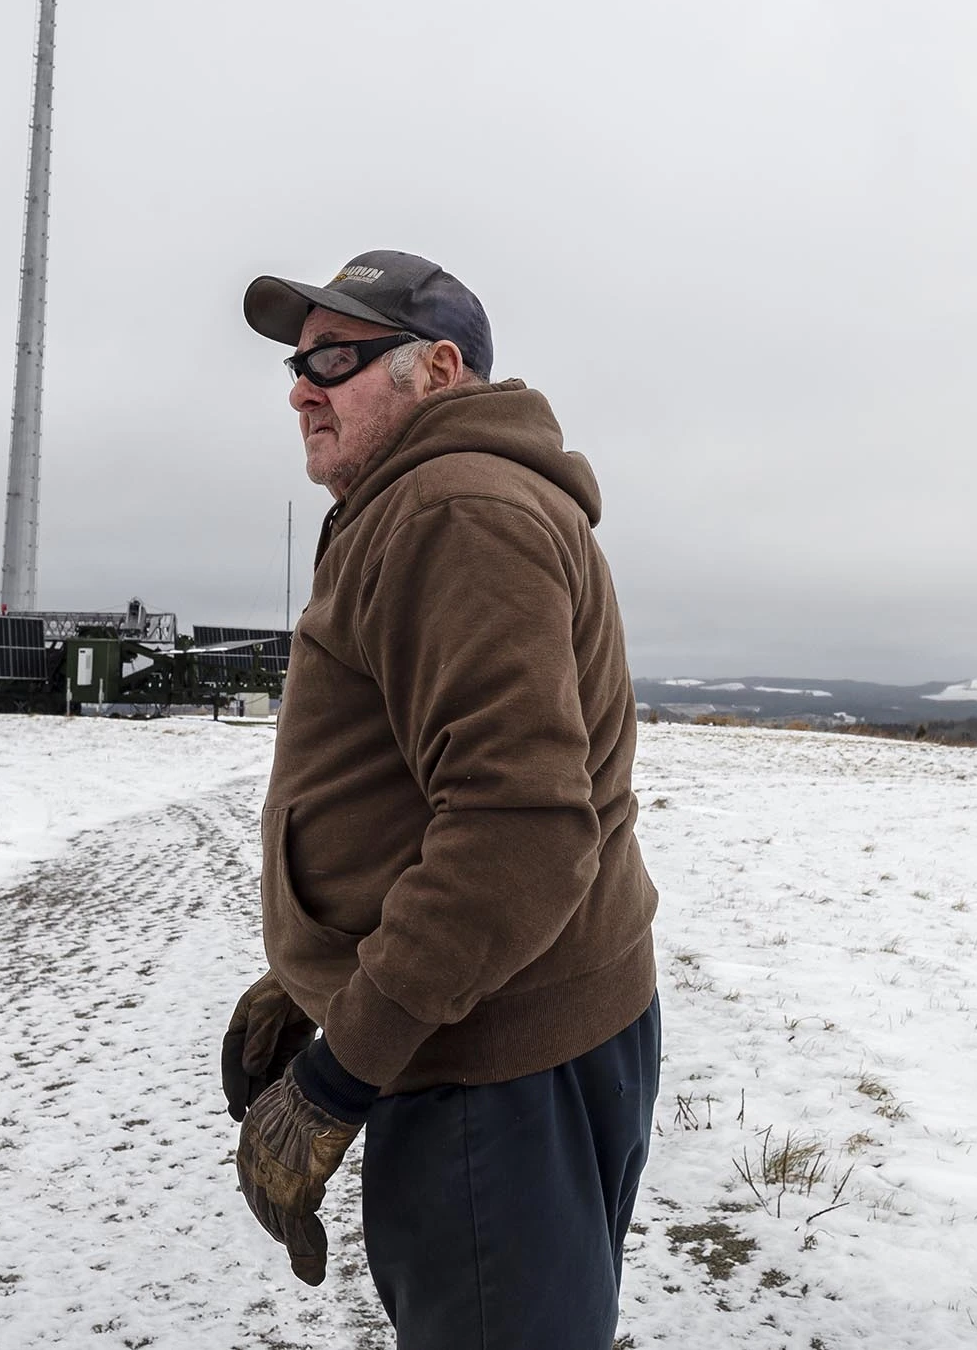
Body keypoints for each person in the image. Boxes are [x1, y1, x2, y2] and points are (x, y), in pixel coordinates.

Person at [222, 249, 660, 1349]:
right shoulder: (435, 501)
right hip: (507, 1043)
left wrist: (337, 1072)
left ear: (438, 369)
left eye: (335, 354)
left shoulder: (450, 510)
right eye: (297, 358)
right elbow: (413, 791)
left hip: (491, 1068)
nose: (300, 386)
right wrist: (308, 972)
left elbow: (518, 831)